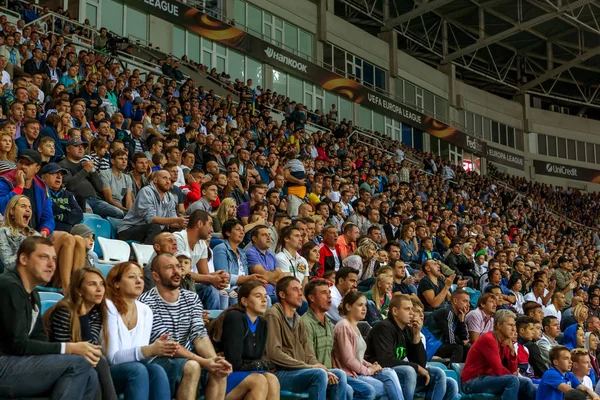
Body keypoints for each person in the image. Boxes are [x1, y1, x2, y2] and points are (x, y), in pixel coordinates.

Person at [0, 236, 99, 399]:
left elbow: (39, 338)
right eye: (43, 257)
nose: (52, 264)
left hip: (13, 363)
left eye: (54, 258)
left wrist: (68, 353)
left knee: (90, 374)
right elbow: (17, 345)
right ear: (24, 259)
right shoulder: (9, 286)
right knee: (78, 364)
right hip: (4, 364)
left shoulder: (33, 294)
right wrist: (69, 348)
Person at [139, 253, 231, 399]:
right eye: (169, 267)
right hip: (157, 361)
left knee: (219, 370)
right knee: (192, 366)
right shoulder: (146, 303)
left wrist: (214, 360)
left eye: (178, 266)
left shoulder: (191, 298)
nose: (177, 271)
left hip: (187, 356)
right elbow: (168, 345)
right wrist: (204, 362)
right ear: (156, 276)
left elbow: (199, 335)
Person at [264, 276, 348, 399]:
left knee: (339, 374)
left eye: (300, 289)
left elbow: (308, 354)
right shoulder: (273, 314)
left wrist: (322, 368)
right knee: (318, 374)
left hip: (297, 371)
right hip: (278, 373)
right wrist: (311, 367)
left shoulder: (298, 319)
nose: (300, 293)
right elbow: (274, 353)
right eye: (295, 289)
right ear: (282, 294)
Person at [45, 267, 118, 400]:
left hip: (80, 362)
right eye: (92, 284)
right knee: (98, 363)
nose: (99, 289)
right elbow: (62, 348)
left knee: (95, 368)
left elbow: (92, 344)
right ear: (78, 290)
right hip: (54, 362)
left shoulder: (97, 311)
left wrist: (84, 317)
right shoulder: (64, 310)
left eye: (102, 284)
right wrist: (83, 317)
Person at [364, 294, 450, 400]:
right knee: (408, 371)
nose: (411, 313)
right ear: (395, 311)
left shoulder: (408, 330)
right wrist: (416, 367)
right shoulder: (383, 328)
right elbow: (385, 360)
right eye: (407, 309)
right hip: (380, 373)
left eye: (412, 309)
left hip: (401, 374)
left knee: (440, 375)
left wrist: (416, 334)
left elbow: (421, 363)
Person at [208, 281, 281, 400]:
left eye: (265, 296)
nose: (264, 300)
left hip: (247, 372)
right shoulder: (235, 317)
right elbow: (234, 361)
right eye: (258, 296)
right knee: (259, 380)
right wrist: (259, 364)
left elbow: (256, 357)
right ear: (244, 301)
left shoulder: (262, 323)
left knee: (272, 380)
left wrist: (257, 364)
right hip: (225, 375)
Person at [0, 194, 86, 292]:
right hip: (27, 274)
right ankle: (67, 291)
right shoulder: (3, 232)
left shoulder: (34, 233)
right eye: (23, 206)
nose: (28, 210)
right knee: (67, 238)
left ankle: (77, 287)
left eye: (30, 207)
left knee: (79, 240)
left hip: (48, 271)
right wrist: (27, 250)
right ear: (12, 211)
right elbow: (8, 264)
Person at [332, 290, 404, 399]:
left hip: (357, 370)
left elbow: (358, 357)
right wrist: (368, 370)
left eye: (365, 305)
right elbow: (348, 360)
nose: (364, 308)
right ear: (348, 307)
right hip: (348, 373)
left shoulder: (355, 327)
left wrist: (370, 365)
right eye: (360, 305)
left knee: (389, 372)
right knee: (383, 388)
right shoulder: (343, 326)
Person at [461, 309, 537, 399]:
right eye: (510, 325)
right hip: (472, 382)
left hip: (490, 379)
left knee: (526, 382)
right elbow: (499, 370)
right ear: (499, 325)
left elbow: (512, 369)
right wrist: (512, 375)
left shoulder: (505, 341)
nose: (513, 329)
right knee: (512, 380)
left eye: (514, 325)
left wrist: (512, 351)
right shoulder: (489, 339)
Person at [173, 209, 228, 311]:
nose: (212, 229)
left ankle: (212, 324)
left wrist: (217, 276)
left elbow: (204, 275)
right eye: (210, 225)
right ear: (199, 223)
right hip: (171, 284)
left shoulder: (202, 244)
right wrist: (211, 278)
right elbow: (180, 272)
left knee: (212, 290)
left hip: (186, 284)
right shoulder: (178, 239)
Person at [117, 170, 188, 244]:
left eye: (169, 179)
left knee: (177, 233)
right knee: (154, 227)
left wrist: (186, 224)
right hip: (128, 230)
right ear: (155, 180)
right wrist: (177, 220)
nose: (168, 182)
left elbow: (172, 221)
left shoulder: (170, 197)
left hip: (150, 230)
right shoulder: (146, 192)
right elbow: (151, 219)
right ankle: (146, 254)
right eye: (165, 178)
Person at [213, 219, 266, 307]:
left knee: (264, 296)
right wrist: (248, 278)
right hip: (228, 289)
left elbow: (245, 275)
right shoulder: (220, 249)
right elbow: (223, 277)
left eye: (243, 230)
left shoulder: (242, 252)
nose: (242, 232)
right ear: (228, 233)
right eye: (238, 229)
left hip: (241, 288)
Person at [424, 289, 470, 363]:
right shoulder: (447, 312)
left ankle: (464, 372)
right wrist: (462, 342)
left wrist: (461, 321)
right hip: (430, 344)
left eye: (468, 302)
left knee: (467, 347)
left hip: (440, 343)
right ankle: (453, 373)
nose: (468, 305)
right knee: (458, 348)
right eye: (465, 301)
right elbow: (450, 338)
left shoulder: (458, 314)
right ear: (455, 301)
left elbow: (465, 338)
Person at [246, 224, 284, 304]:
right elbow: (261, 274)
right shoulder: (251, 252)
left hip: (275, 294)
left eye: (269, 234)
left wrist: (269, 277)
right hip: (262, 295)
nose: (268, 237)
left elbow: (281, 277)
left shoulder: (271, 254)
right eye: (264, 235)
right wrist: (274, 274)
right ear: (254, 239)